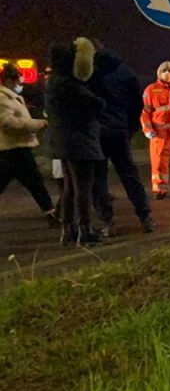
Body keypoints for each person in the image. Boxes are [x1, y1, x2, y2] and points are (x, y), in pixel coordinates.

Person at [45, 38, 106, 246]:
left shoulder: (53, 81)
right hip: (79, 141)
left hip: (62, 142)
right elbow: (96, 103)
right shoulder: (69, 84)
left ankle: (68, 230)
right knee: (83, 188)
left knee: (70, 188)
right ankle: (84, 229)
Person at [89, 43, 153, 234]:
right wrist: (131, 127)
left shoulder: (90, 72)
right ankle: (145, 217)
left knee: (98, 179)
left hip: (97, 131)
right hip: (119, 130)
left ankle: (107, 222)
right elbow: (137, 103)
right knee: (129, 174)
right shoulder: (124, 71)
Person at [0, 61, 58, 228]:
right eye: (18, 81)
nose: (20, 84)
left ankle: (50, 214)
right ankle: (51, 214)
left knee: (34, 182)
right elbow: (8, 122)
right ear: (9, 81)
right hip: (13, 148)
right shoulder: (3, 99)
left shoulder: (11, 97)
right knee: (34, 181)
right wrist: (35, 124)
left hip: (17, 146)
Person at [141, 61, 170, 198]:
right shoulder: (151, 89)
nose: (167, 74)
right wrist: (148, 129)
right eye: (164, 71)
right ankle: (160, 189)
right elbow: (145, 112)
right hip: (159, 134)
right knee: (159, 162)